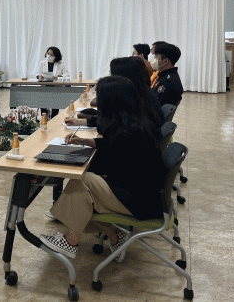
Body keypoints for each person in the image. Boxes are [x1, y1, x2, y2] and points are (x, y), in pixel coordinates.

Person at [40, 76, 166, 260]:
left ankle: (71, 241)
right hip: (141, 192)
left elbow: (112, 159)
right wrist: (85, 142)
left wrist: (78, 155)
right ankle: (113, 234)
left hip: (140, 200)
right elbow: (111, 147)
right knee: (84, 186)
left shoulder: (128, 132)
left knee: (83, 182)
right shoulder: (133, 122)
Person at [66, 56, 164, 129]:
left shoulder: (137, 97)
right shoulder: (139, 91)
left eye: (112, 74)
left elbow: (113, 125)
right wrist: (83, 122)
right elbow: (114, 119)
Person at [35, 47, 70, 119]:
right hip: (44, 88)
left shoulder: (61, 64)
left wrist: (58, 77)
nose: (49, 56)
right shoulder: (42, 63)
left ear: (56, 56)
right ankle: (44, 119)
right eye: (48, 53)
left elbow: (67, 75)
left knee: (55, 107)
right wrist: (39, 76)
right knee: (43, 106)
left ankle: (53, 119)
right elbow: (37, 73)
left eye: (52, 54)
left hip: (56, 89)